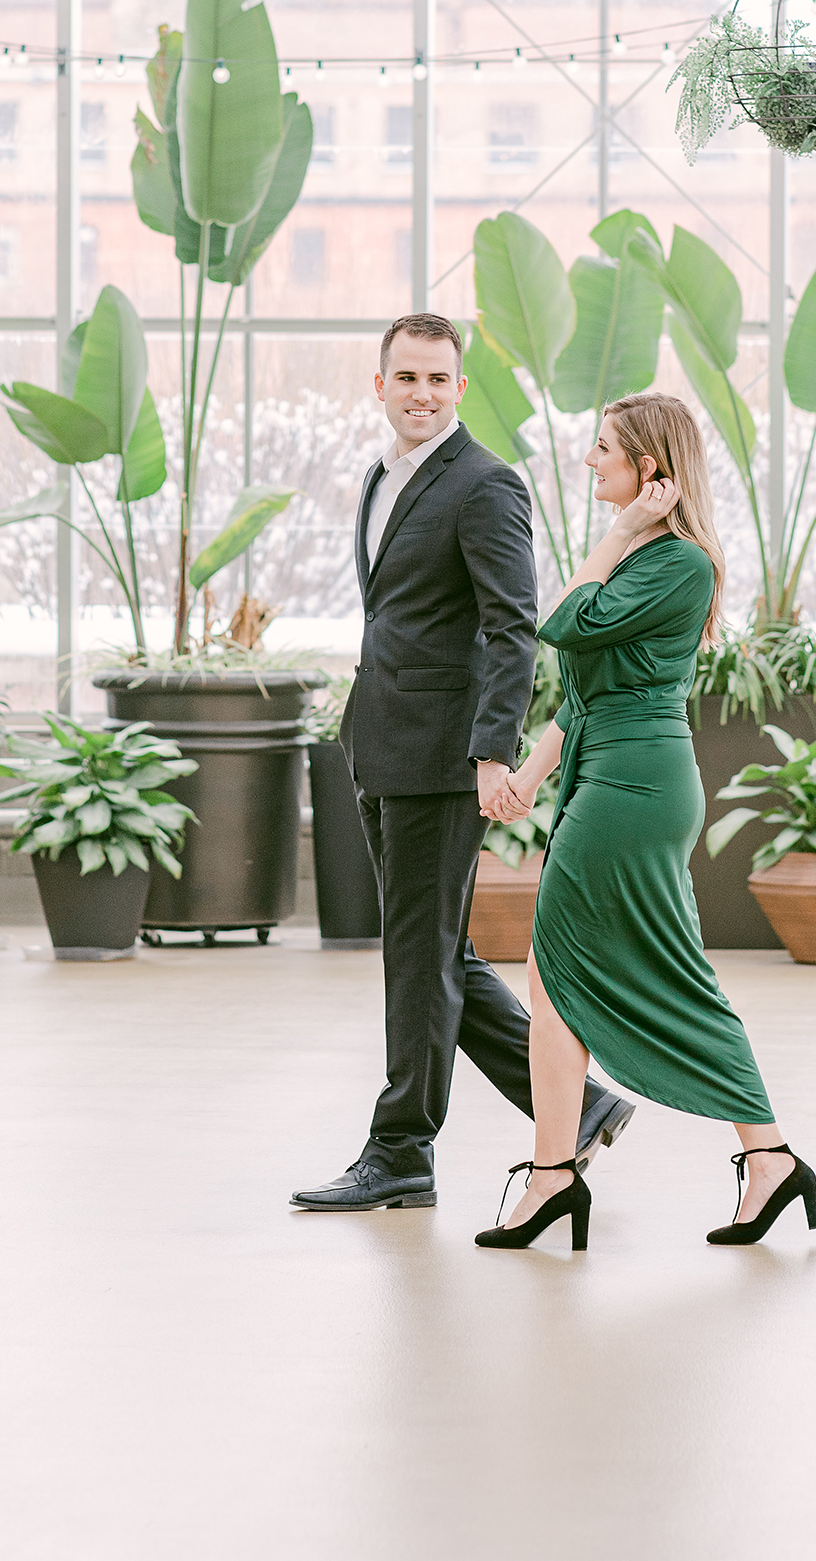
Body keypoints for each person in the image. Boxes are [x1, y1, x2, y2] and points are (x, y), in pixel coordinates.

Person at [291, 313, 635, 1214]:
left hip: (443, 759)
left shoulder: (485, 485)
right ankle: (581, 1103)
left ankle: (401, 1147)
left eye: (438, 379)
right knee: (435, 949)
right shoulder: (381, 478)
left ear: (460, 389)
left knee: (417, 955)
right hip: (383, 744)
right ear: (380, 385)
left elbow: (511, 625)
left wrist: (493, 752)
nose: (422, 393)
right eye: (406, 377)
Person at [474, 392, 816, 1252]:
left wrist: (622, 530)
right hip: (608, 776)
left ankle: (746, 1155)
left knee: (627, 969)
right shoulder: (643, 562)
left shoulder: (677, 564)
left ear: (650, 472)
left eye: (604, 450)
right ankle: (568, 1172)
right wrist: (527, 775)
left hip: (635, 790)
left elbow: (560, 623)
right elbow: (589, 694)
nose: (590, 462)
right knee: (556, 972)